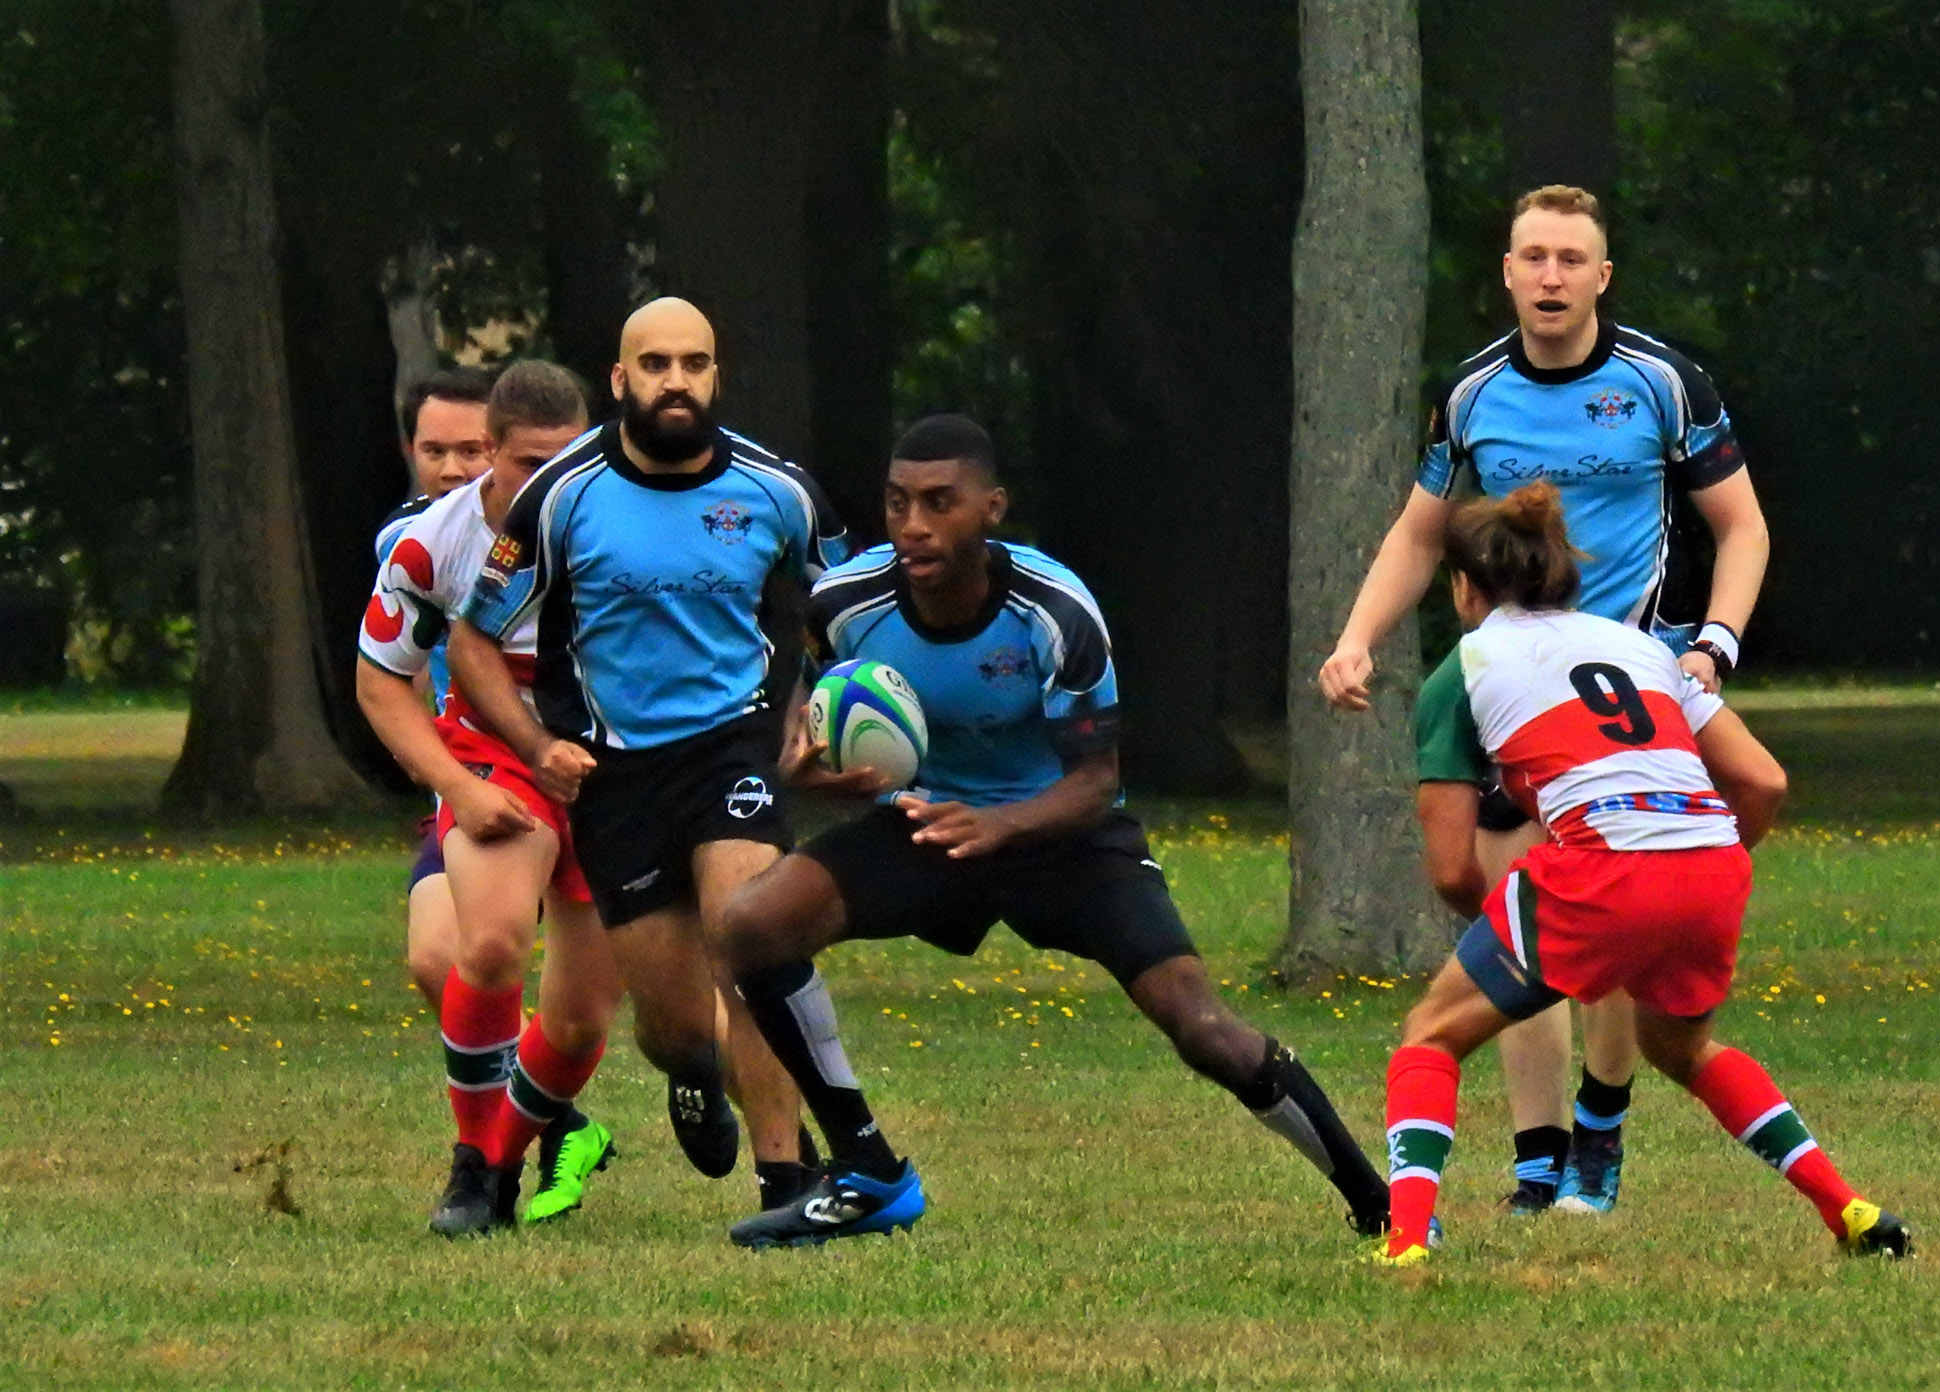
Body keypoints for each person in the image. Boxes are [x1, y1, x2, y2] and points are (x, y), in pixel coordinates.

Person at [717, 414, 1392, 1249]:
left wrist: (999, 824)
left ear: (992, 507)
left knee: (1201, 1027)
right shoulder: (846, 601)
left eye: (940, 503)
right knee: (751, 926)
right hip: (930, 828)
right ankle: (868, 1172)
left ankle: (1379, 1203)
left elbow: (1095, 781)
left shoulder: (1054, 609)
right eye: (897, 505)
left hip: (1062, 834)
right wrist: (809, 767)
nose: (914, 526)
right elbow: (821, 705)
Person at [1318, 185, 1773, 1216]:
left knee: (1618, 924)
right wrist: (1354, 640)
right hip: (1517, 689)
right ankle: (1536, 1162)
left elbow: (1740, 527)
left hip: (1638, 685)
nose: (1552, 276)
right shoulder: (1473, 392)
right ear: (1509, 273)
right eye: (1533, 257)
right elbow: (1417, 532)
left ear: (1601, 277)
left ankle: (1598, 1132)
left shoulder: (1662, 382)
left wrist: (1712, 646)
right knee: (1515, 913)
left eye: (1572, 259)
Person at [1369, 480, 1906, 1266]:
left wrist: (1531, 945)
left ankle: (1407, 1243)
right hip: (1710, 864)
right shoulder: (1644, 649)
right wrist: (1692, 874)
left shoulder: (1467, 666)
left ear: (1464, 586)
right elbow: (1764, 784)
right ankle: (1849, 1210)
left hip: (1598, 873)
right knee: (1683, 1050)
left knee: (1431, 1037)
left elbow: (1453, 866)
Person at [452, 297, 843, 1214]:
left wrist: (820, 709)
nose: (677, 381)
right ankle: (696, 1075)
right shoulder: (562, 495)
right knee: (672, 1028)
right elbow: (473, 642)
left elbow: (848, 610)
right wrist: (538, 743)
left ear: (716, 377)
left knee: (749, 941)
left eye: (694, 364)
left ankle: (785, 1179)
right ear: (621, 381)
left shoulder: (778, 492)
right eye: (656, 364)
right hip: (614, 772)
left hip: (732, 749)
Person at [358, 361, 620, 1235]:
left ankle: (519, 1153)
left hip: (625, 767)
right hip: (495, 754)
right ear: (491, 460)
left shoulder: (634, 527)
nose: (545, 487)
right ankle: (477, 1167)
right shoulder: (433, 544)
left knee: (585, 1021)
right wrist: (458, 787)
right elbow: (381, 682)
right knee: (488, 943)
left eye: (566, 463)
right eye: (523, 466)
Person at [374, 366, 498, 1012]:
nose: (452, 469)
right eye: (434, 451)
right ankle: (556, 1113)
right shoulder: (407, 542)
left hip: (584, 774)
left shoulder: (567, 531)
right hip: (476, 780)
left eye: (471, 450)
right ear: (409, 451)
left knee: (665, 991)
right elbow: (404, 673)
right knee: (435, 957)